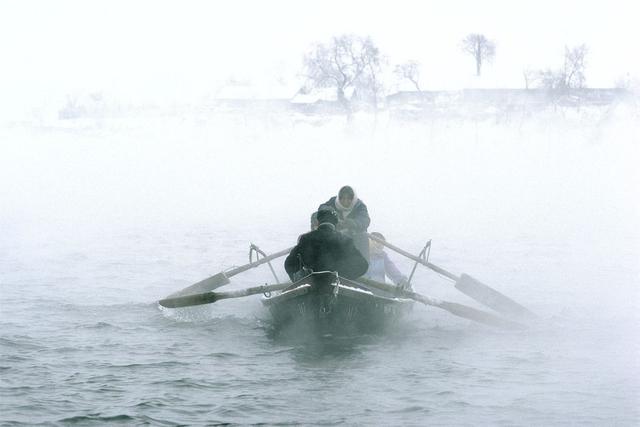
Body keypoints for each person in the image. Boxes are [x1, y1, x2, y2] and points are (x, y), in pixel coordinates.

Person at [285, 207, 368, 282]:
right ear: (336, 223)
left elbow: (289, 263)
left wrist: (301, 279)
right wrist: (344, 277)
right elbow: (362, 265)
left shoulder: (306, 238)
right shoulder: (345, 240)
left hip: (313, 288)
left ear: (318, 222)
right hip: (337, 286)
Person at [318, 185, 370, 261]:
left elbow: (364, 220)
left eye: (349, 198)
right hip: (334, 240)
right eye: (342, 198)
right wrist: (332, 214)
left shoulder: (359, 206)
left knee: (362, 236)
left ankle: (362, 267)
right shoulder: (332, 202)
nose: (345, 201)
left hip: (355, 241)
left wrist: (353, 223)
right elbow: (322, 208)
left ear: (353, 199)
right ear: (339, 198)